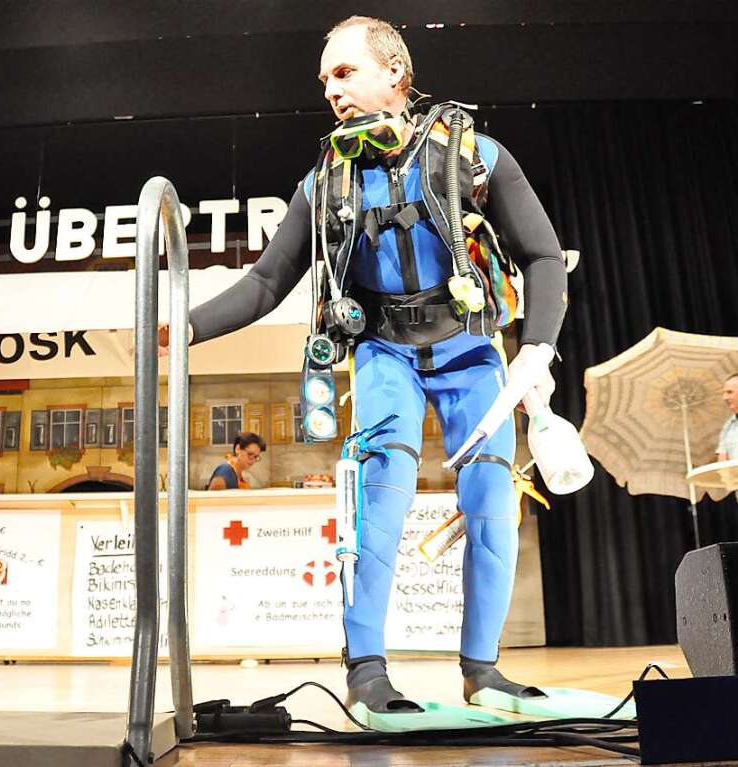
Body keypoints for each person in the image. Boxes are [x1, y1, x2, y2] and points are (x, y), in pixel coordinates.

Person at [177, 16, 568, 719]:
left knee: (489, 505)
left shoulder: (473, 153)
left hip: (473, 350)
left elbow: (542, 255)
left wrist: (536, 347)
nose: (329, 90)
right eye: (323, 79)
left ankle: (483, 669)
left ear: (395, 71)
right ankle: (365, 671)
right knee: (375, 501)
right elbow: (266, 282)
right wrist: (180, 328)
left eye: (343, 72)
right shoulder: (323, 180)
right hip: (383, 350)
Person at [717, 373, 738, 461]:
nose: (724, 397)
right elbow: (722, 462)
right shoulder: (728, 426)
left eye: (729, 392)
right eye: (724, 393)